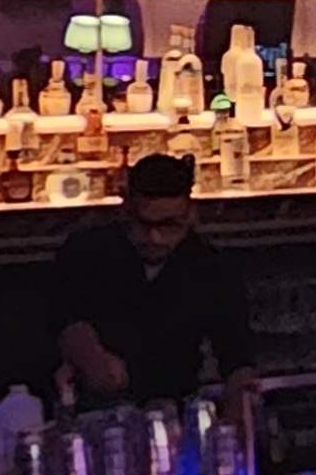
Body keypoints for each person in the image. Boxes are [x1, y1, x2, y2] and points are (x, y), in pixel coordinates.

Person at [49, 152, 252, 401]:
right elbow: (62, 316)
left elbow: (236, 353)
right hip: (92, 406)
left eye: (170, 225)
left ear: (191, 215)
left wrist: (240, 401)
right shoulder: (87, 252)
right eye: (143, 224)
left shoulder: (210, 266)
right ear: (125, 211)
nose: (154, 238)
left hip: (176, 402)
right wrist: (91, 357)